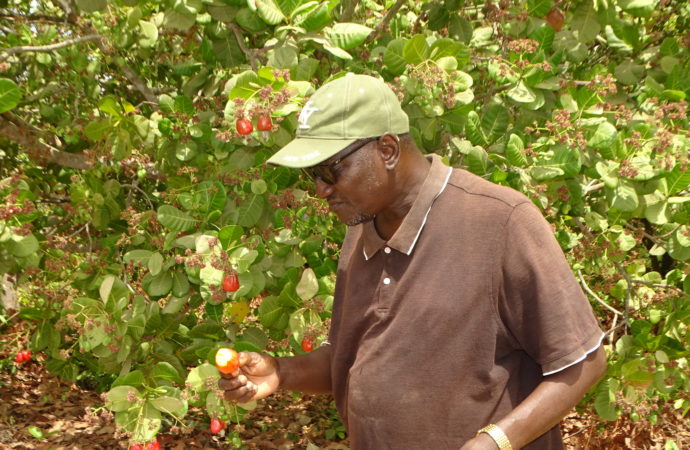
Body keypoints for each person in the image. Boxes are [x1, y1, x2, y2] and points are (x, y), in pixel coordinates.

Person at [219, 73, 607, 449]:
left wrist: (494, 442)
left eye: (329, 171)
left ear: (386, 150)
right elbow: (349, 357)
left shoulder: (500, 221)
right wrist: (280, 372)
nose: (321, 190)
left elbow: (583, 363)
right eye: (312, 175)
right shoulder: (360, 230)